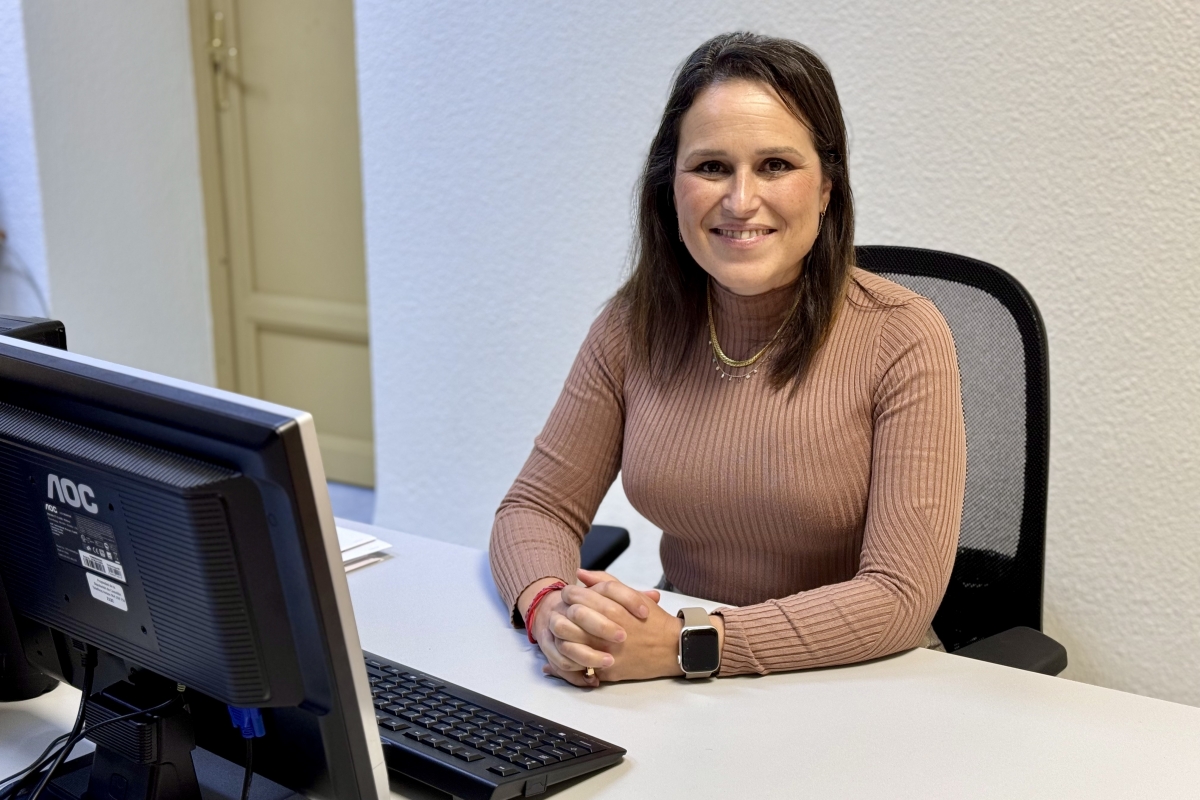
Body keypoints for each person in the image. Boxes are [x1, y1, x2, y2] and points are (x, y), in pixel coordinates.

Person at [489, 32, 965, 687]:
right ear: (671, 186)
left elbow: (898, 597)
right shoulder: (633, 323)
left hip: (856, 684)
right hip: (675, 679)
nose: (741, 201)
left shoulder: (903, 335)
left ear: (826, 188)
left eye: (776, 165)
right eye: (712, 166)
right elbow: (534, 508)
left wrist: (692, 644)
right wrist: (550, 611)